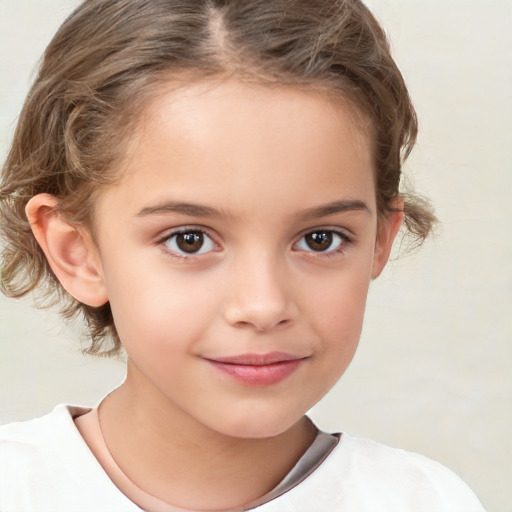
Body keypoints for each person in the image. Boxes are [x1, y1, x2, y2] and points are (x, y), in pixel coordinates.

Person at [0, 0, 485, 510]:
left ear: (379, 242)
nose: (263, 305)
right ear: (77, 251)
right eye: (189, 239)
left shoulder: (425, 500)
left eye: (320, 239)